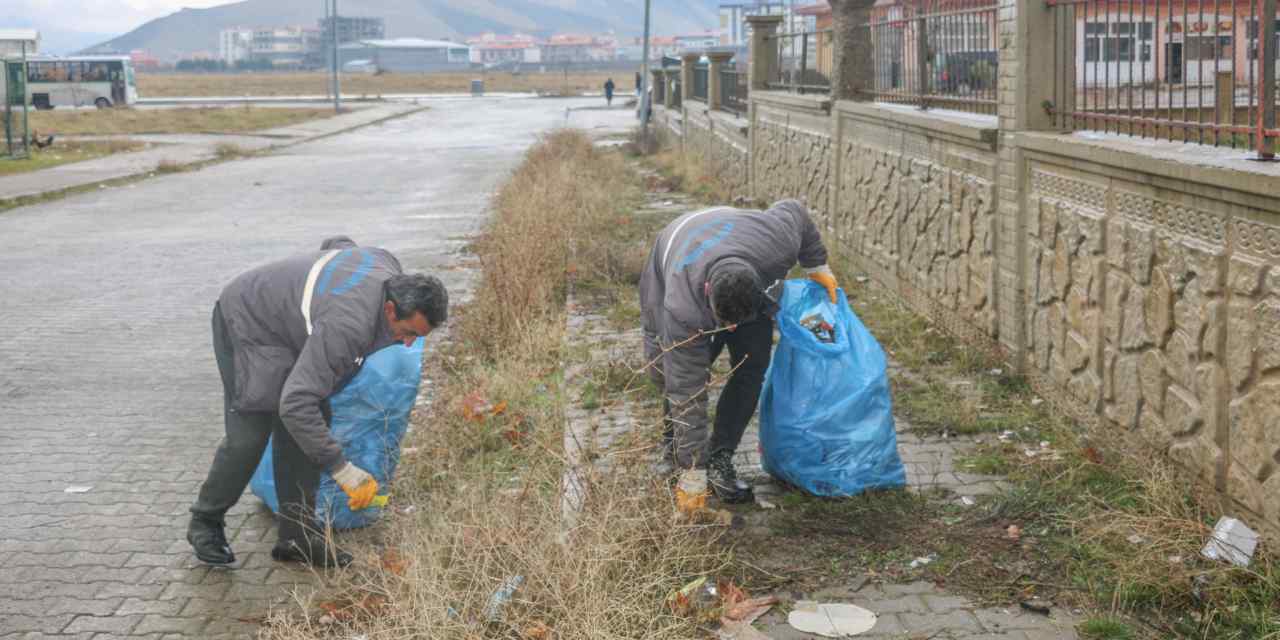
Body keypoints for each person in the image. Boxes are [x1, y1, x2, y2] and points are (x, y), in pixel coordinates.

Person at [186, 237, 448, 568]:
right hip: (249, 320)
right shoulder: (348, 326)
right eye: (407, 331)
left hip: (292, 326)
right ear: (391, 308)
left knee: (310, 420)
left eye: (418, 337)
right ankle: (205, 523)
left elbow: (341, 245)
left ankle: (296, 538)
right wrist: (343, 469)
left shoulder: (386, 265)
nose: (408, 343)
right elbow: (295, 404)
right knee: (251, 435)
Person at [639, 200, 837, 503]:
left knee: (752, 364)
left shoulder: (776, 244)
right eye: (725, 323)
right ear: (709, 299)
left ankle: (721, 458)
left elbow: (795, 211)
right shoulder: (681, 307)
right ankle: (676, 451)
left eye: (737, 323)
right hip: (675, 251)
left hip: (743, 244)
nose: (732, 329)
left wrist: (817, 266)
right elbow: (687, 391)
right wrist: (692, 475)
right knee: (670, 374)